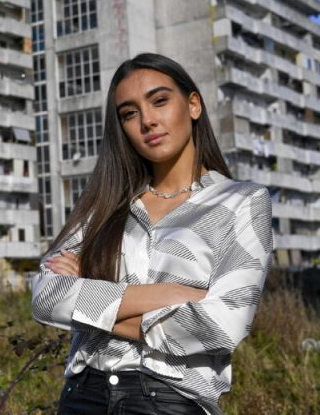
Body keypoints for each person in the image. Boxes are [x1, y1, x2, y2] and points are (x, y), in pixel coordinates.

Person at [31, 53, 273, 415]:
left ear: (193, 105)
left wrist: (90, 300)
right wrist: (169, 294)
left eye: (159, 101)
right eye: (129, 113)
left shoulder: (242, 201)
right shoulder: (105, 205)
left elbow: (222, 325)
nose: (147, 121)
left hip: (170, 401)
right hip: (83, 395)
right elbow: (47, 296)